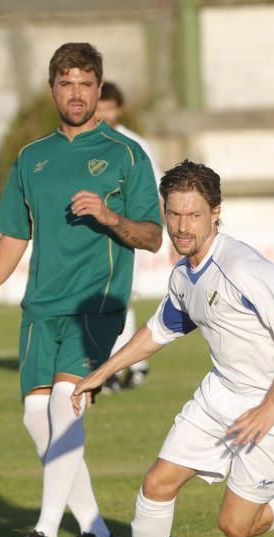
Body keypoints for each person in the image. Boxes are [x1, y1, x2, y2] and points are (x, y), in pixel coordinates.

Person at [71, 160, 274, 537]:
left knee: (237, 527)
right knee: (157, 483)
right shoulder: (184, 275)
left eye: (194, 215)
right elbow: (159, 330)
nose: (182, 227)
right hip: (221, 393)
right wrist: (100, 374)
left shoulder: (245, 268)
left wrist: (270, 406)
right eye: (174, 214)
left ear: (216, 212)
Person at [0, 43, 162, 537]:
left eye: (86, 83)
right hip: (40, 305)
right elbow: (14, 238)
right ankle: (95, 532)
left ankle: (43, 532)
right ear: (52, 90)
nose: (76, 93)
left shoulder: (125, 154)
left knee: (65, 404)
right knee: (33, 416)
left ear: (99, 89)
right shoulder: (31, 159)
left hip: (97, 303)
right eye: (66, 83)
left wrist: (111, 218)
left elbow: (154, 237)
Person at [95, 81, 164, 391]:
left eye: (109, 107)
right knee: (103, 301)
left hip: (129, 230)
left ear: (117, 109)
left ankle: (129, 365)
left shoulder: (134, 144)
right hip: (96, 233)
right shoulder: (88, 141)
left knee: (122, 299)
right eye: (100, 106)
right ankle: (122, 366)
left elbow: (156, 188)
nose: (104, 113)